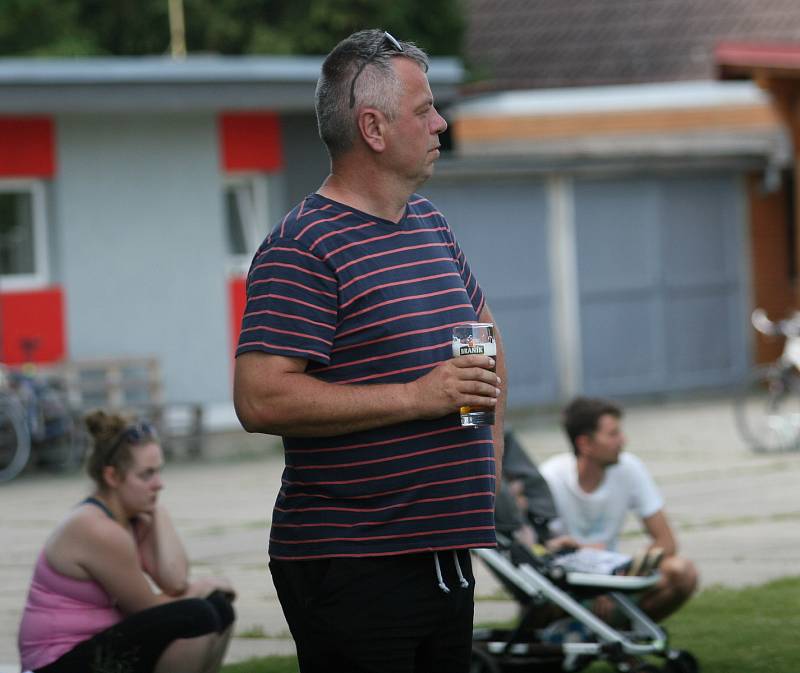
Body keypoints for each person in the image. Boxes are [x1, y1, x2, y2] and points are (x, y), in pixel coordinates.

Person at [233, 28, 506, 673]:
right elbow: (258, 395)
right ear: (374, 128)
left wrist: (483, 466)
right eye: (424, 110)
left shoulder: (430, 223)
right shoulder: (304, 247)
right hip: (354, 559)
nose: (441, 123)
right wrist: (418, 397)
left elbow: (484, 337)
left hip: (440, 548)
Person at [17, 411, 236, 673]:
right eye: (147, 475)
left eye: (159, 472)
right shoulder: (95, 528)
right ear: (112, 477)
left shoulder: (129, 519)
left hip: (95, 648)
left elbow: (175, 581)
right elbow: (148, 608)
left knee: (219, 609)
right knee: (197, 616)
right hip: (54, 664)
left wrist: (158, 513)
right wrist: (205, 585)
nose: (159, 484)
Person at [539, 397, 698, 621]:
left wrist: (619, 576)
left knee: (683, 572)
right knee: (540, 597)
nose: (624, 440)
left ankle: (623, 637)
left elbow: (666, 542)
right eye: (613, 434)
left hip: (614, 576)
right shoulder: (549, 478)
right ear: (585, 444)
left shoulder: (629, 468)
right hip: (566, 583)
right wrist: (594, 579)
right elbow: (538, 550)